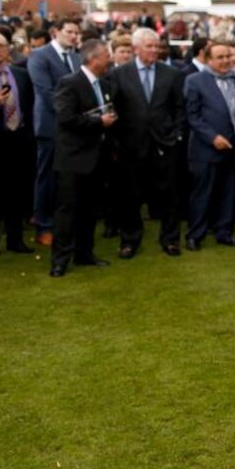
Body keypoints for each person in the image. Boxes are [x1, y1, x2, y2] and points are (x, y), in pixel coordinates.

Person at [110, 28, 186, 259]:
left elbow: (179, 108)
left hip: (164, 144)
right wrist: (117, 142)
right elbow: (115, 109)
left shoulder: (171, 74)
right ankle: (130, 240)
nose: (154, 50)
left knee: (169, 195)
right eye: (149, 46)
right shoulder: (119, 74)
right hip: (131, 145)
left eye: (156, 46)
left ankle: (170, 239)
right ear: (135, 49)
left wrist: (175, 135)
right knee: (130, 195)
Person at [49, 39, 117, 277]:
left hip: (97, 158)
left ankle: (84, 254)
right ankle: (60, 260)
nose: (110, 59)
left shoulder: (105, 84)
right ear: (93, 59)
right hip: (74, 159)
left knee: (89, 210)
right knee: (68, 211)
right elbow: (65, 118)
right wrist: (99, 121)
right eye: (107, 55)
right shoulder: (69, 83)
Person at [0, 31, 36, 257]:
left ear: (8, 49)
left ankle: (16, 238)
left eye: (1, 45)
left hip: (19, 140)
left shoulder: (22, 75)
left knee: (18, 192)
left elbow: (30, 106)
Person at [184, 40, 235, 250]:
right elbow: (192, 116)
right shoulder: (195, 81)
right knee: (202, 194)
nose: (225, 61)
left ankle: (224, 232)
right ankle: (195, 235)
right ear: (208, 60)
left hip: (233, 148)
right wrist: (212, 137)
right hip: (205, 150)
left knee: (228, 193)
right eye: (220, 57)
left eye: (228, 56)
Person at [28, 18, 81, 246]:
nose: (73, 36)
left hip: (73, 127)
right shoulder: (39, 56)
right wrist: (75, 114)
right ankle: (43, 224)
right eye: (69, 32)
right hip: (51, 126)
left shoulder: (77, 57)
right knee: (47, 177)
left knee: (67, 179)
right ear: (55, 32)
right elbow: (45, 92)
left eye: (76, 33)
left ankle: (64, 224)